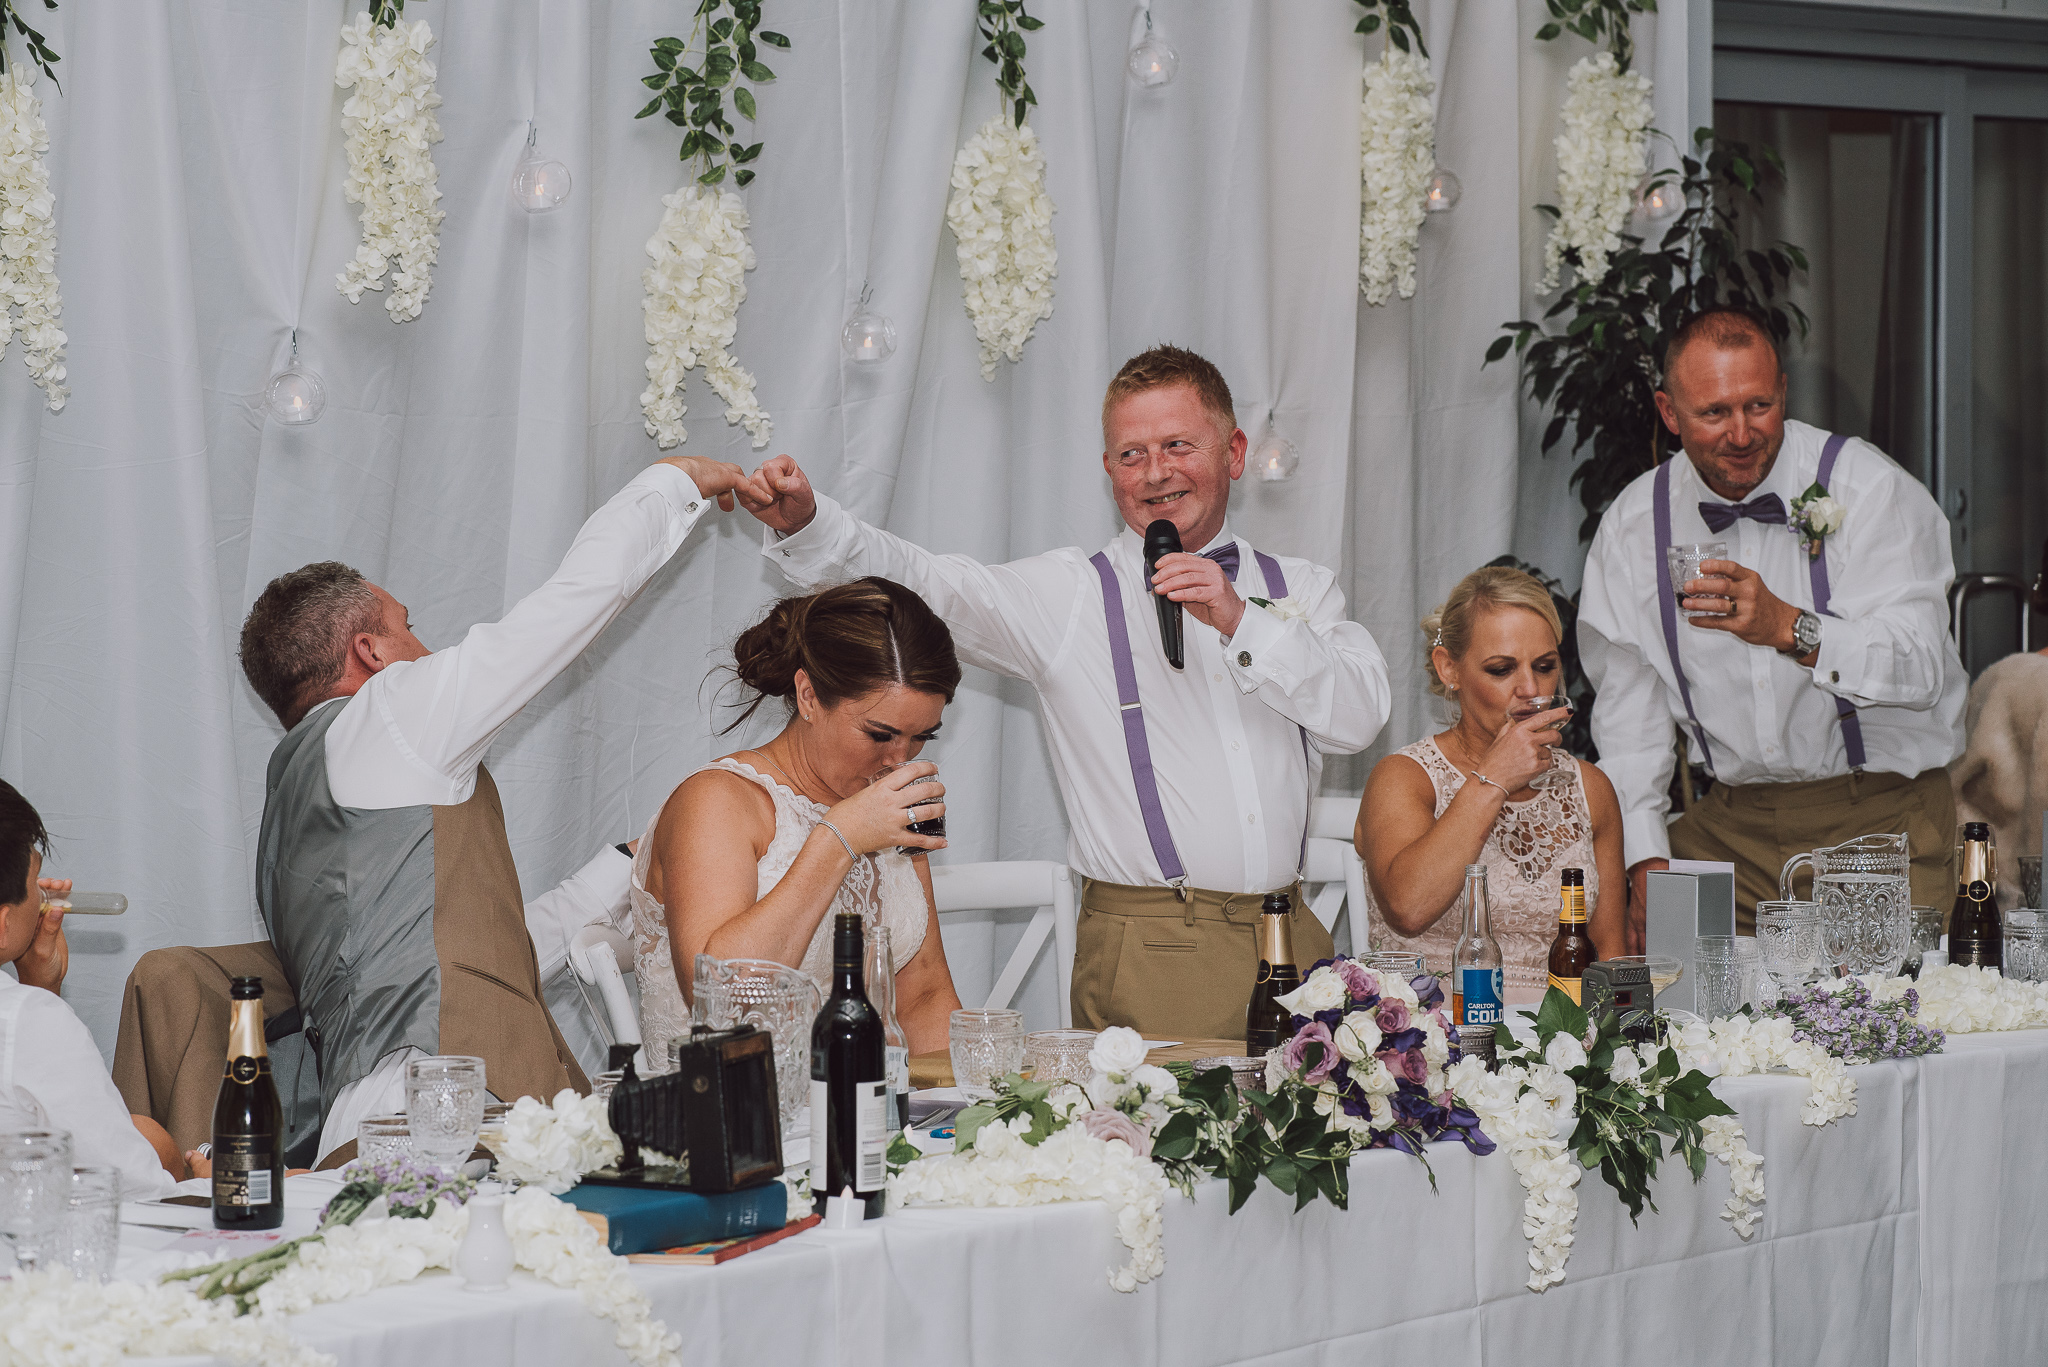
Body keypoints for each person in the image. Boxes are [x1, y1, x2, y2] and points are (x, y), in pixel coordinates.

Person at [738, 345, 1392, 1039]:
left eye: (1177, 445)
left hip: (1297, 943)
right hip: (1151, 949)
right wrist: (812, 526)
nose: (1157, 471)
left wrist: (1239, 618)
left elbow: (1359, 719)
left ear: (1233, 451)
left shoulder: (1303, 588)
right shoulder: (1075, 594)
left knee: (1316, 1147)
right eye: (1132, 454)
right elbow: (931, 581)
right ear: (1108, 469)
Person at [231, 453, 768, 1165]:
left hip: (366, 1124)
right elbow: (570, 605)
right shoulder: (390, 715)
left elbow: (476, 956)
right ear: (370, 651)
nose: (425, 647)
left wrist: (629, 864)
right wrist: (674, 480)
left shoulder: (296, 798)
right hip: (442, 1119)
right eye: (406, 626)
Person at [1580, 308, 1967, 931]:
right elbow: (1630, 719)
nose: (1740, 434)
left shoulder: (1869, 488)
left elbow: (1922, 668)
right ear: (1669, 412)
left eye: (1758, 406)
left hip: (1879, 823)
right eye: (1713, 413)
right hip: (1727, 832)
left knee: (1885, 1024)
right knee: (1683, 1015)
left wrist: (1793, 628)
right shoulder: (1634, 525)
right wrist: (1646, 856)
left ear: (1784, 391)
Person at [631, 578, 965, 1066]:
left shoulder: (889, 804)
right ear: (808, 696)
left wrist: (971, 1116)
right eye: (879, 734)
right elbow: (722, 1006)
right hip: (727, 1116)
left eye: (922, 738)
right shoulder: (717, 800)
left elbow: (923, 999)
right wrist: (839, 839)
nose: (899, 760)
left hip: (859, 1118)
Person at [1357, 569, 1627, 999]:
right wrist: (1495, 778)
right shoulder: (1405, 776)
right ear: (1450, 668)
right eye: (1501, 669)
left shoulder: (1589, 787)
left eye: (1545, 666)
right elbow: (1408, 910)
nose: (1531, 689)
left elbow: (1609, 955)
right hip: (1434, 1037)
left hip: (1559, 1043)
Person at [0, 780, 182, 1196]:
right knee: (155, 1141)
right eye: (34, 883)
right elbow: (133, 1188)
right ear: (3, 923)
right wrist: (207, 1186)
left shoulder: (25, 1016)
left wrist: (39, 987)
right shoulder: (28, 1021)